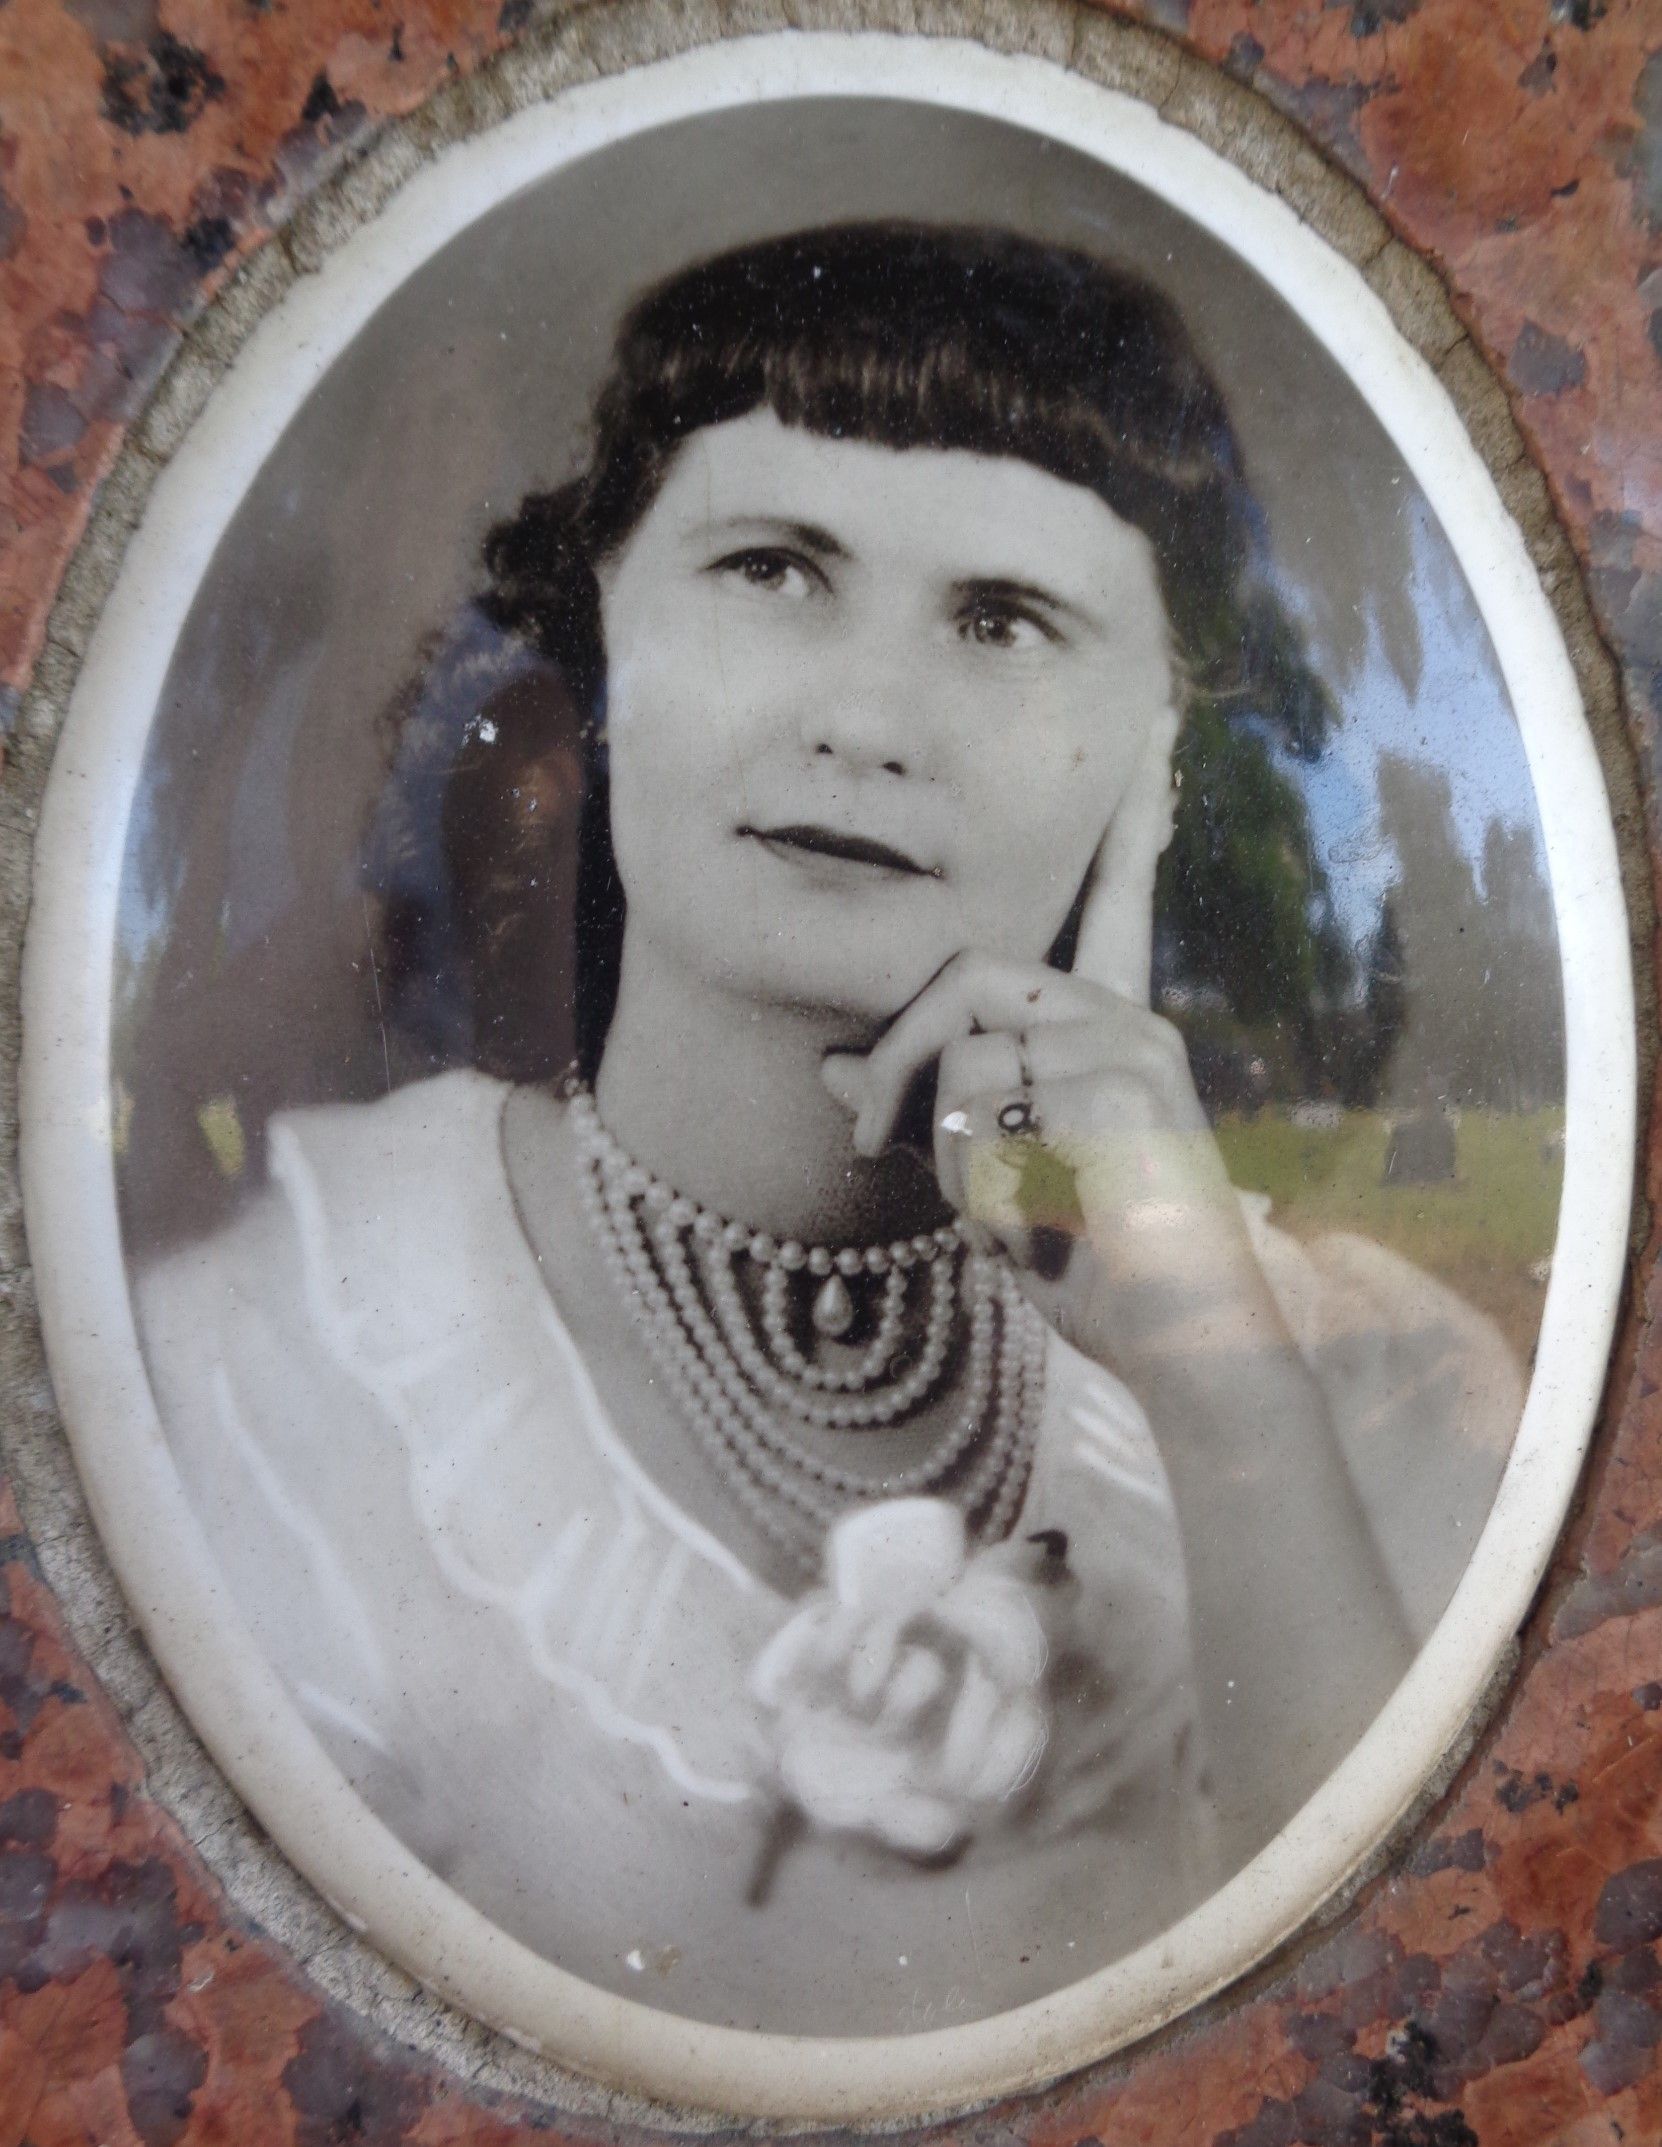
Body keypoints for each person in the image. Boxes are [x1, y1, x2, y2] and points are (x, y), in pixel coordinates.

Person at [136, 224, 1521, 2037]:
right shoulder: (264, 1365)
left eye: (1001, 620)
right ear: (603, 640)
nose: (865, 720)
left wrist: (1214, 1378)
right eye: (773, 569)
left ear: (1158, 742)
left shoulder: (1376, 1395)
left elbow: (1419, 2043)